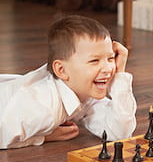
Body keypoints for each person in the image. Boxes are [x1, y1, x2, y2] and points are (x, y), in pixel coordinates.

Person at [0, 15, 137, 149]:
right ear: (62, 70)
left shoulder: (83, 91)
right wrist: (44, 137)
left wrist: (120, 74)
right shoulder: (43, 107)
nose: (108, 68)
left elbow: (120, 132)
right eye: (94, 61)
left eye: (110, 58)